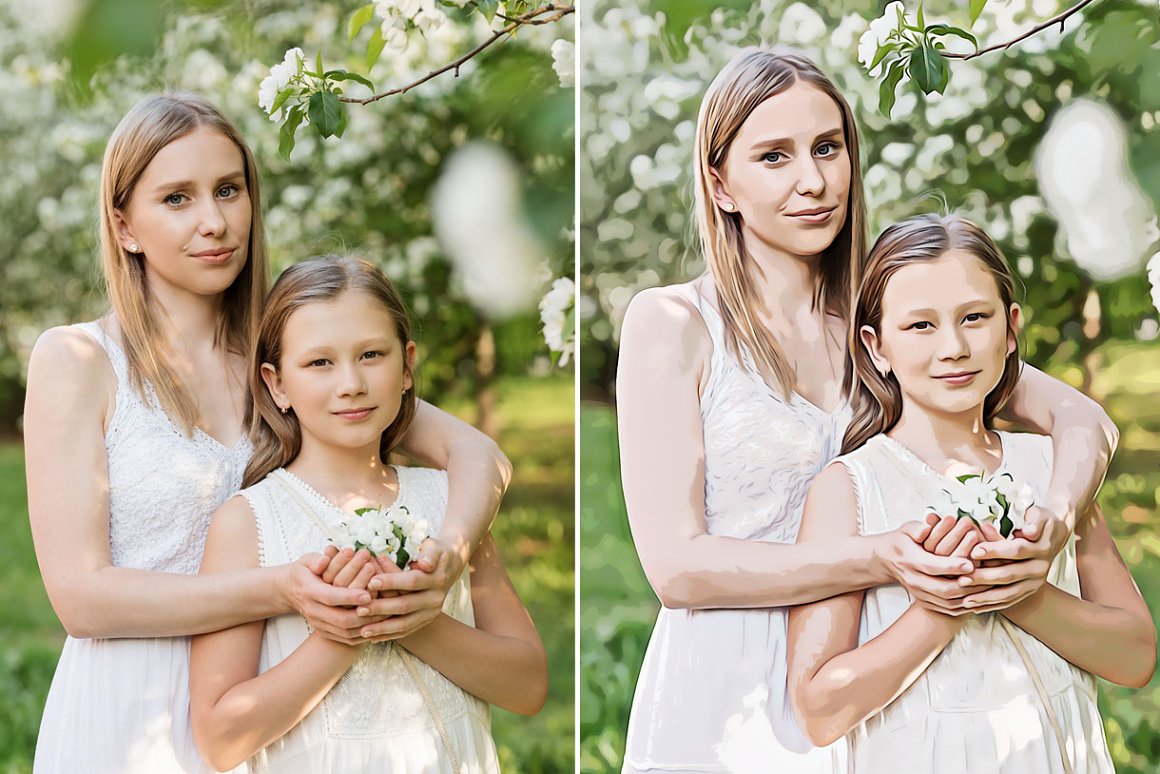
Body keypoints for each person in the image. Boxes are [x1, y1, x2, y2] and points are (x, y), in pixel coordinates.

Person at [615, 49, 1119, 773]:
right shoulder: (673, 322)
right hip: (725, 689)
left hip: (878, 675)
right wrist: (886, 555)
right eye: (774, 156)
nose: (813, 181)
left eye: (828, 147)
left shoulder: (891, 326)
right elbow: (677, 567)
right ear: (720, 183)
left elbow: (1086, 424)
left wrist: (1053, 527)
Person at [24, 93, 510, 773]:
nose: (215, 221)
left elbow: (478, 453)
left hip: (277, 706)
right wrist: (286, 588)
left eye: (229, 190)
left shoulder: (287, 360)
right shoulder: (78, 361)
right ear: (124, 225)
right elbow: (81, 597)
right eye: (177, 199)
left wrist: (446, 563)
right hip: (133, 707)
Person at [786, 213, 1155, 773]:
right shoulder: (851, 488)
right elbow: (820, 709)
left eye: (974, 318)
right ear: (876, 344)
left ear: (1010, 330)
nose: (954, 347)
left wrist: (1021, 591)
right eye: (920, 326)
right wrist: (943, 604)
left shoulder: (1054, 470)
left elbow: (1135, 657)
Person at [188, 256, 546, 772]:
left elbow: (530, 685)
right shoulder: (249, 522)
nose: (351, 382)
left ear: (407, 366)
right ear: (276, 383)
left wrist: (414, 620)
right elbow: (221, 739)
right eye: (319, 363)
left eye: (372, 354)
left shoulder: (452, 507)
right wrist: (346, 633)